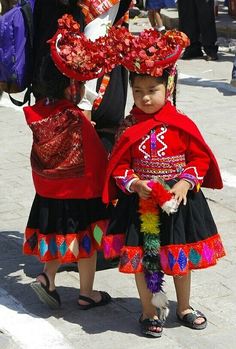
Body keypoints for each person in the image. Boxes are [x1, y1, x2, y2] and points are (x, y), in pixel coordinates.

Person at [102, 29, 225, 337]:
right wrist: (134, 184)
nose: (145, 97)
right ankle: (147, 310)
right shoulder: (128, 126)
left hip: (177, 203)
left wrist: (184, 184)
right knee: (146, 260)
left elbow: (200, 160)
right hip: (141, 203)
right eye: (138, 89)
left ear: (168, 86)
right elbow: (118, 165)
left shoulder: (181, 122)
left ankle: (182, 306)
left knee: (179, 258)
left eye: (152, 89)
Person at [23, 54, 112, 310]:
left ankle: (47, 276)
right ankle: (87, 293)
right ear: (70, 86)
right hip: (81, 193)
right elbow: (95, 157)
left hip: (50, 194)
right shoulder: (75, 118)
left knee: (58, 237)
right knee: (87, 243)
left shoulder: (39, 114)